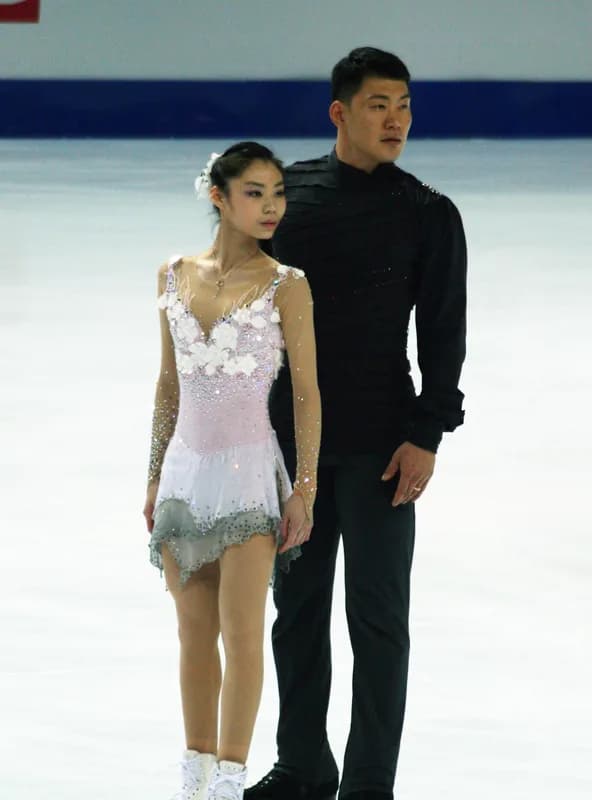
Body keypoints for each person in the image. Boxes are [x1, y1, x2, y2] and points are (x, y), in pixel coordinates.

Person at [245, 48, 467, 800]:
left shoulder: (428, 213)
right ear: (340, 112)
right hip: (290, 450)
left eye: (404, 104)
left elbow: (443, 333)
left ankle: (370, 783)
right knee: (297, 614)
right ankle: (303, 767)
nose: (396, 119)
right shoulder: (286, 199)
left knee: (377, 619)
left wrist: (427, 434)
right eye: (379, 105)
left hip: (381, 447)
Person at [143, 142, 321, 800]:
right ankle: (194, 783)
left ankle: (229, 783)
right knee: (194, 636)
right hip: (185, 477)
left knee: (244, 636)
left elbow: (306, 394)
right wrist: (154, 477)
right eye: (255, 192)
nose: (272, 206)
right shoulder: (171, 274)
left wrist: (304, 489)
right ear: (218, 196)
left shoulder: (286, 283)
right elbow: (169, 385)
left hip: (249, 477)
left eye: (278, 193)